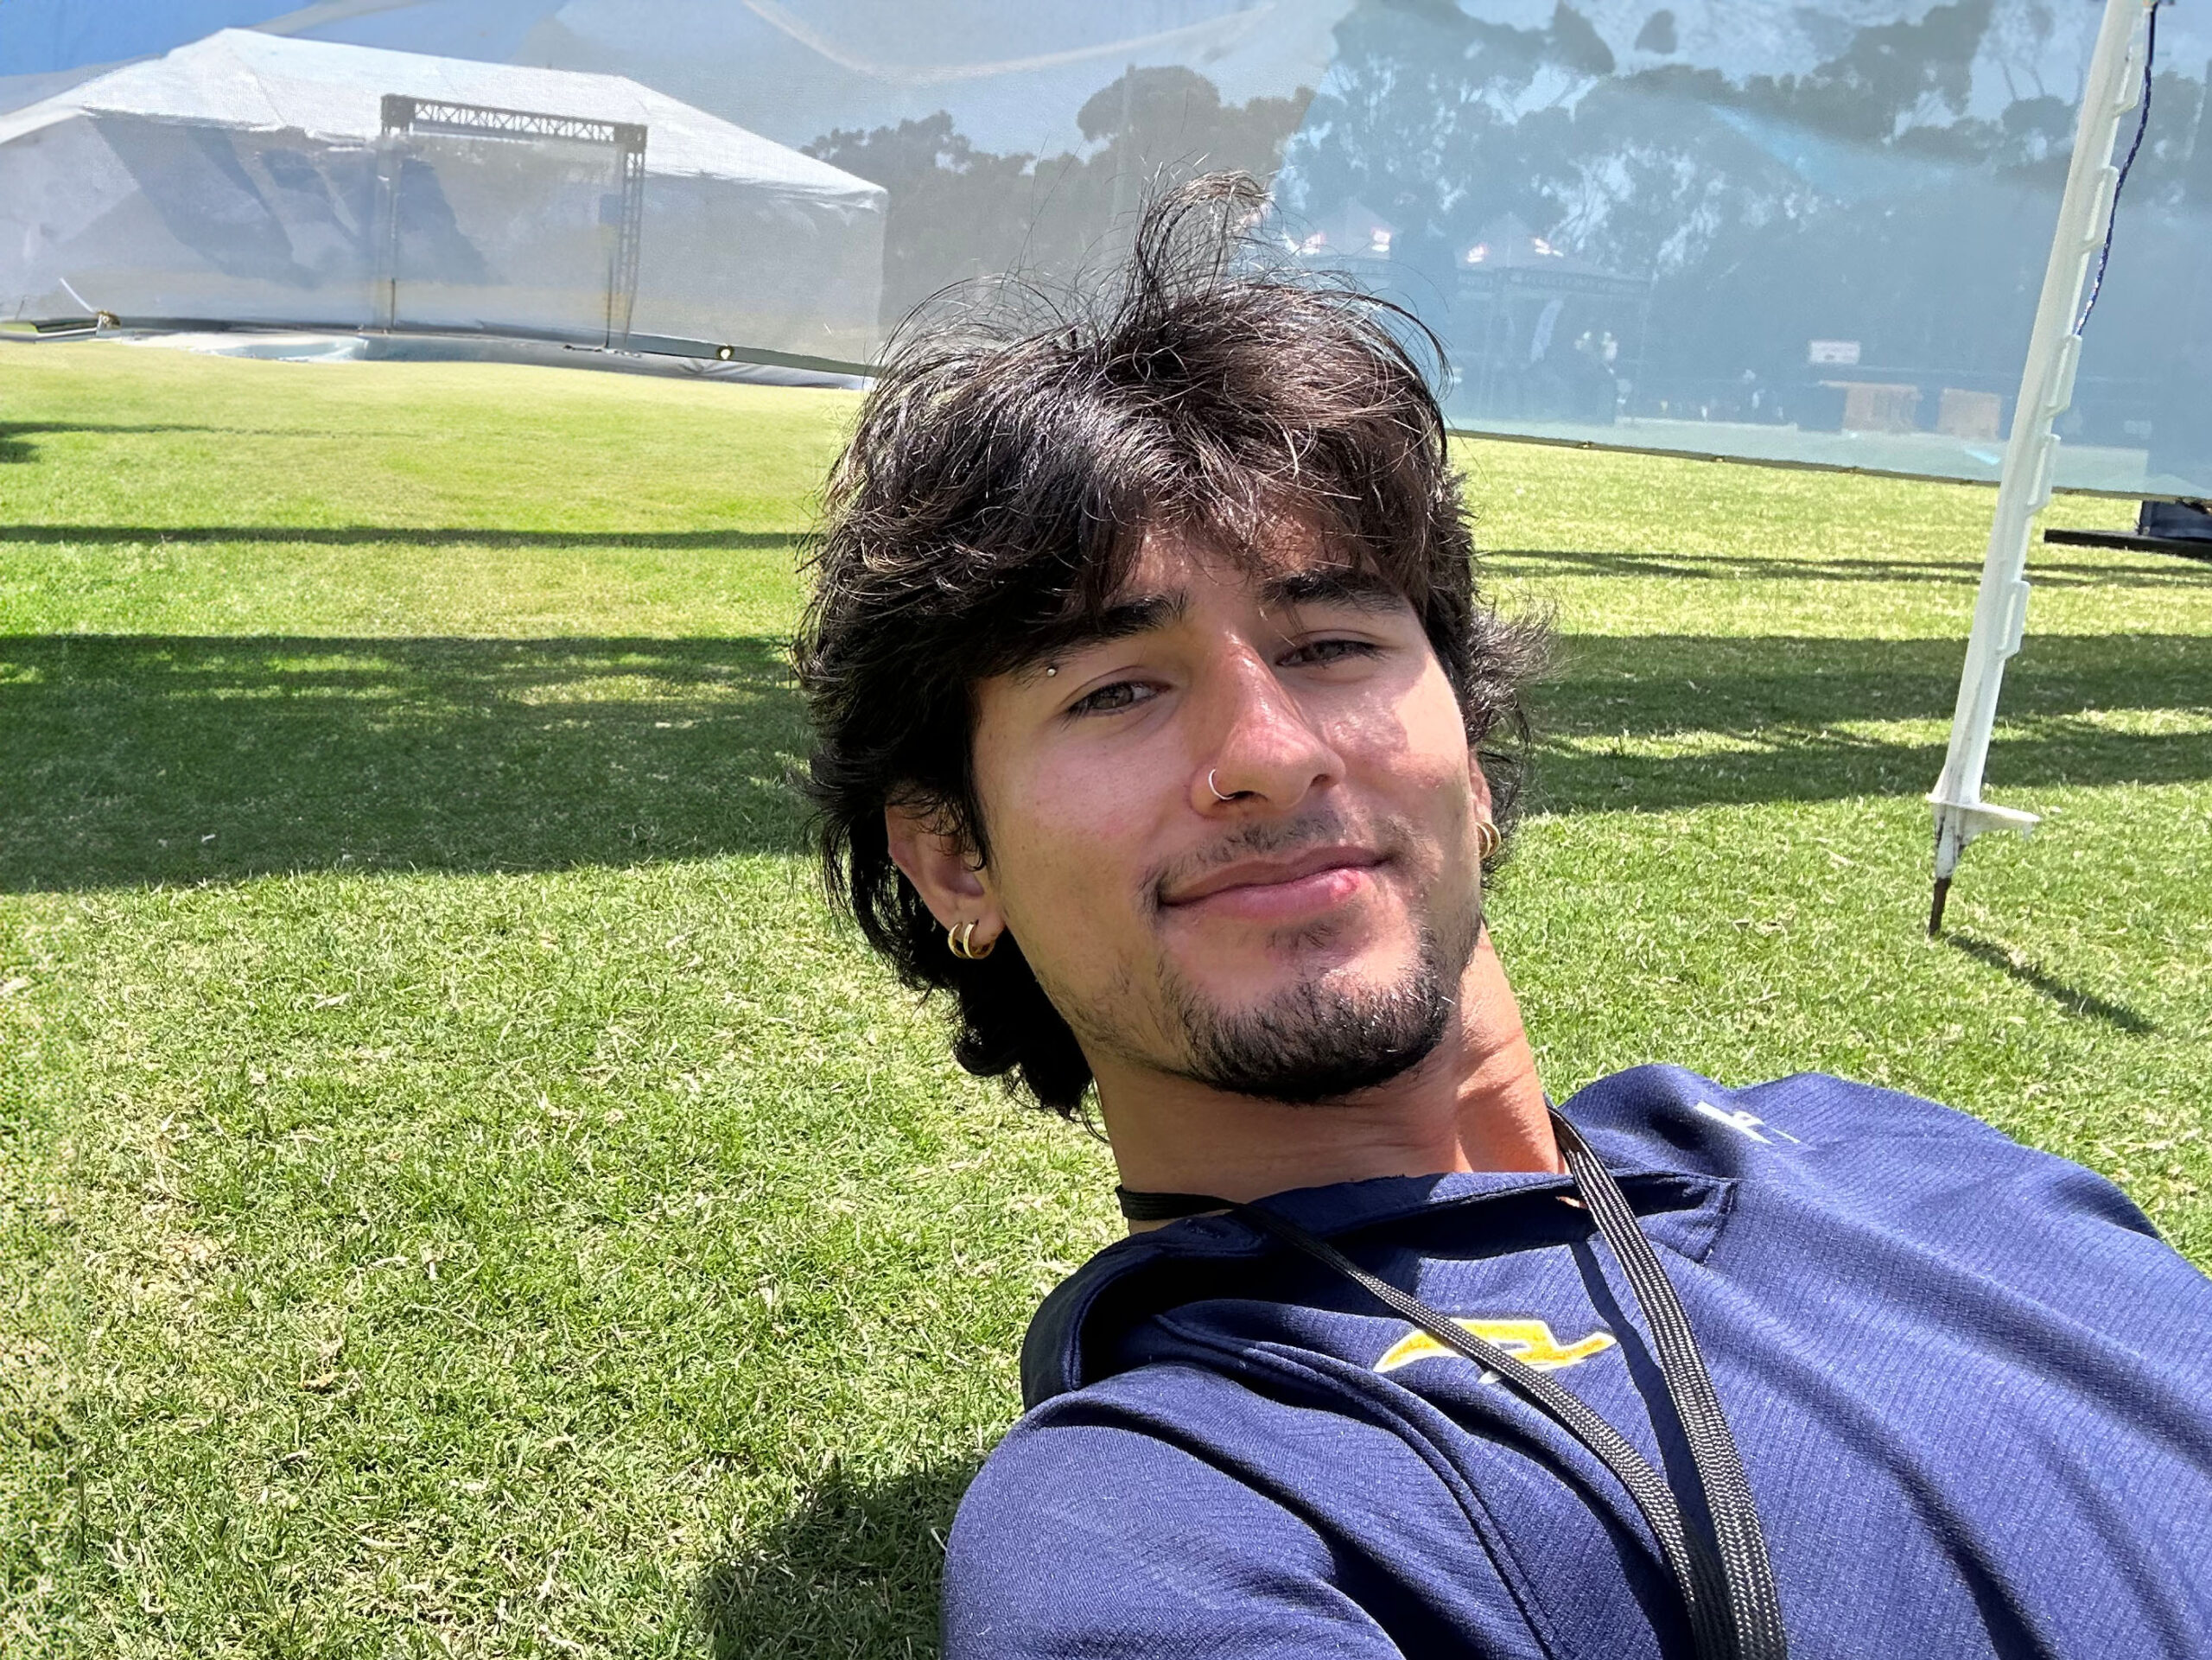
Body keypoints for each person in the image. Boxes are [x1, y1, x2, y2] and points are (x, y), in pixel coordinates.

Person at [792, 178, 2212, 1659]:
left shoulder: (1875, 1138)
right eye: (1117, 689)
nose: (1272, 751)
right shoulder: (1172, 1502)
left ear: (1471, 757)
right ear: (957, 861)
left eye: (1332, 641)